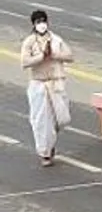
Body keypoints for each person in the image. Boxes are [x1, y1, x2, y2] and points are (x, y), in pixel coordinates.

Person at [20, 10, 73, 166]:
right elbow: (24, 62)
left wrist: (54, 55)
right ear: (33, 24)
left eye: (43, 21)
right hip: (39, 85)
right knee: (41, 122)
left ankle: (50, 142)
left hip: (56, 84)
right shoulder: (29, 42)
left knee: (61, 119)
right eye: (38, 22)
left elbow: (70, 56)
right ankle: (45, 153)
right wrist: (42, 56)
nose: (42, 24)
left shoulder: (56, 39)